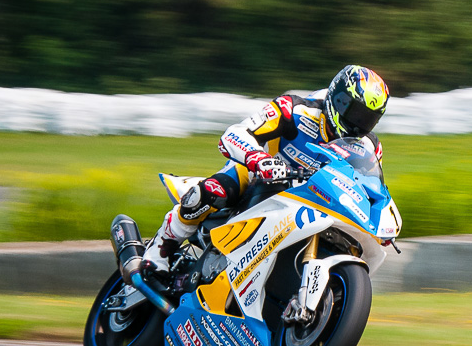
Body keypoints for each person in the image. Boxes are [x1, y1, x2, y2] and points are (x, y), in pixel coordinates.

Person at [141, 64, 390, 274]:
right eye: (354, 112)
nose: (357, 124)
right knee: (212, 191)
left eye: (366, 119)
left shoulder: (368, 146)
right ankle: (160, 249)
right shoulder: (295, 109)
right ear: (338, 98)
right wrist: (259, 159)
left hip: (313, 198)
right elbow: (235, 133)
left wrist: (379, 224)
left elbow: (371, 188)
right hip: (261, 175)